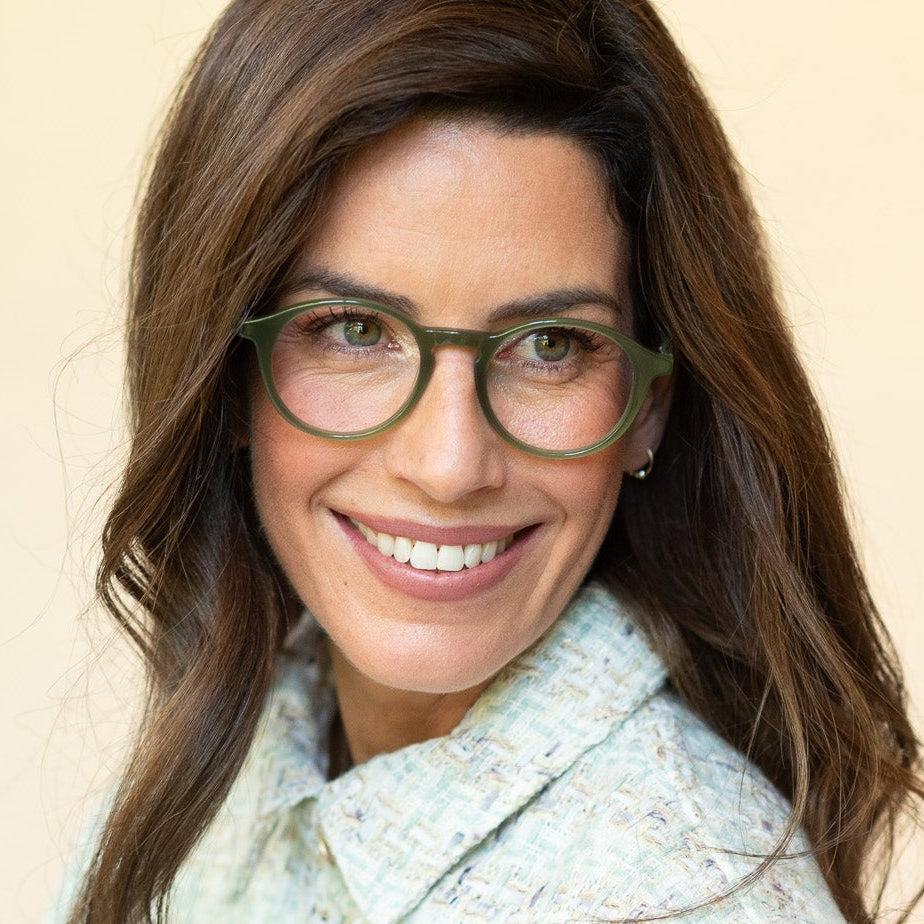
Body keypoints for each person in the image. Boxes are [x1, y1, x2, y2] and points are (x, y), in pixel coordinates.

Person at [48, 1, 923, 922]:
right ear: (226, 379)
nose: (450, 464)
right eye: (354, 330)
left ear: (647, 408)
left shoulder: (685, 894)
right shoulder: (221, 770)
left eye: (550, 345)